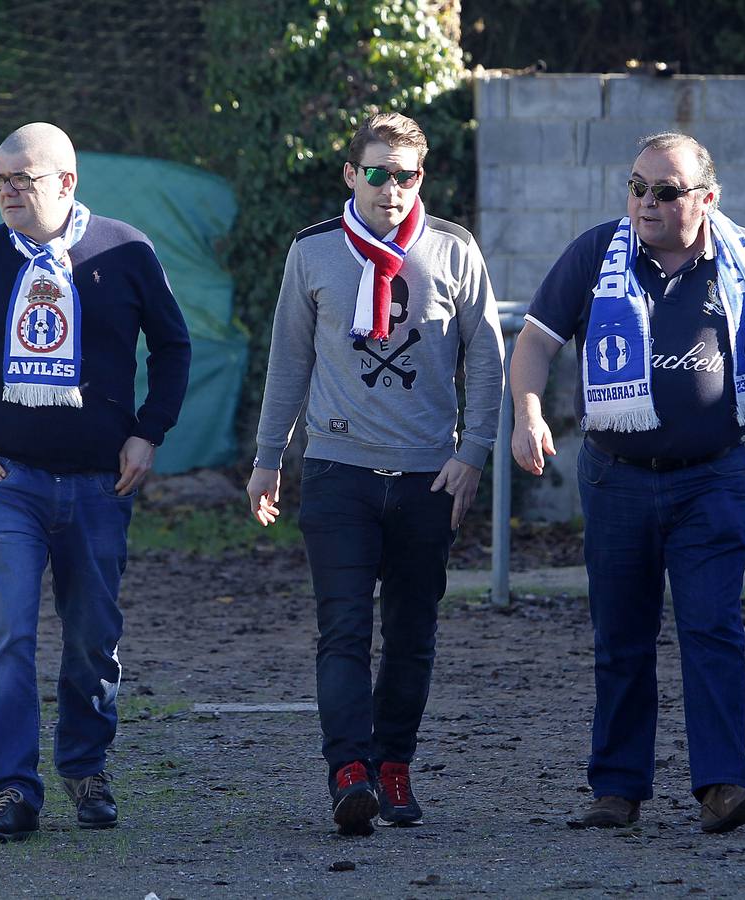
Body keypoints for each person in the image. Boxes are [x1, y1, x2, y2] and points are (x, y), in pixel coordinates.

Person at [509, 132, 745, 833]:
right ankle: (617, 789)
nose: (645, 202)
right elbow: (532, 342)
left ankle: (721, 785)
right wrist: (527, 413)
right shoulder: (595, 253)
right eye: (636, 186)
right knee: (620, 635)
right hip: (616, 479)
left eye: (665, 191)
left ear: (705, 198)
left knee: (711, 627)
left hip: (711, 477)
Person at [0, 122, 191, 843]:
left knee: (92, 636)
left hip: (103, 484)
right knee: (6, 632)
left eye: (22, 179)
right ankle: (11, 788)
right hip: (11, 480)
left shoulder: (124, 250)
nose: (7, 191)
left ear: (65, 183)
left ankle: (85, 766)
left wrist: (148, 431)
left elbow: (171, 345)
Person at [245, 112, 504, 836]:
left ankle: (394, 766)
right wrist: (270, 457)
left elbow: (483, 357)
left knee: (413, 631)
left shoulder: (454, 250)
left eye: (408, 176)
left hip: (429, 474)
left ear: (422, 178)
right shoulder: (314, 252)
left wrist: (473, 451)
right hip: (337, 471)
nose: (393, 189)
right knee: (344, 630)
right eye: (379, 173)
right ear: (351, 174)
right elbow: (289, 359)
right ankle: (348, 773)